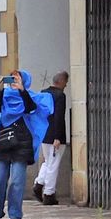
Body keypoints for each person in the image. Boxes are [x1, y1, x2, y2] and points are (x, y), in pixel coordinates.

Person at [0, 70, 54, 219]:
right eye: (11, 78)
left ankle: (15, 215)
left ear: (24, 81)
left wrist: (22, 90)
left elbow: (30, 108)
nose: (13, 81)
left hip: (21, 144)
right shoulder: (3, 96)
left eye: (17, 78)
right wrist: (0, 89)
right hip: (3, 143)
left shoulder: (29, 96)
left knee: (17, 181)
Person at [32, 71, 70, 205]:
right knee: (53, 164)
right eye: (66, 82)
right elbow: (59, 116)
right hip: (55, 135)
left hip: (44, 133)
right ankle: (49, 193)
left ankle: (39, 184)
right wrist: (58, 137)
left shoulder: (43, 93)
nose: (66, 85)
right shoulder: (60, 96)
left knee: (48, 161)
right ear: (61, 81)